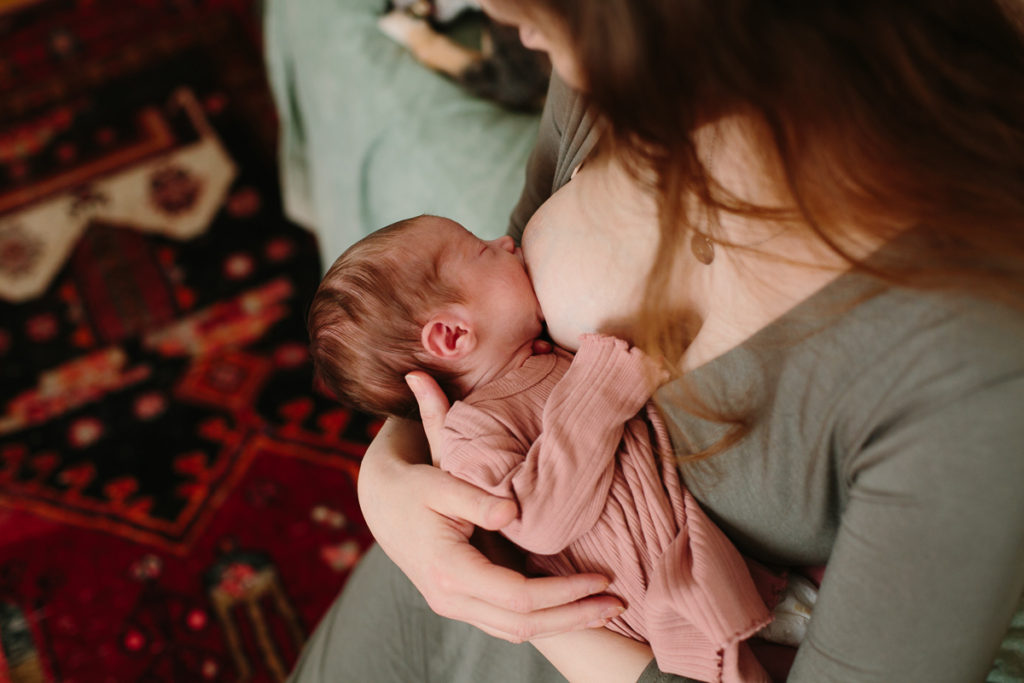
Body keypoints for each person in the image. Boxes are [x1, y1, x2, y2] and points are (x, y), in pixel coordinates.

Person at [290, 1, 1024, 681]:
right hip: (445, 578)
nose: (504, 21)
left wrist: (505, 576)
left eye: (540, 9)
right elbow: (487, 345)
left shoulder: (972, 363)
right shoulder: (624, 76)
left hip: (650, 640)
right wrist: (385, 482)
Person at [306, 214, 820, 681]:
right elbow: (536, 518)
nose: (506, 240)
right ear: (451, 334)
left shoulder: (538, 361)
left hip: (711, 557)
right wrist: (603, 386)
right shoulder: (469, 435)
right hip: (663, 602)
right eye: (483, 251)